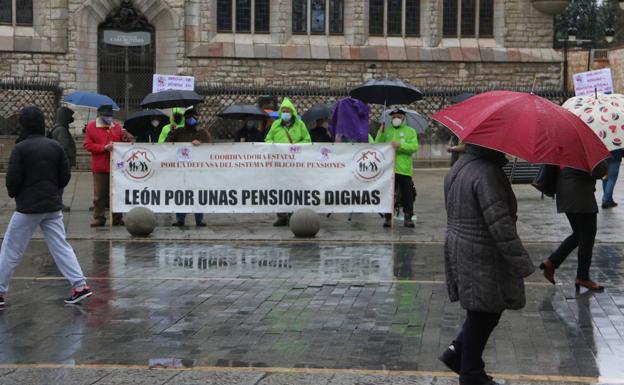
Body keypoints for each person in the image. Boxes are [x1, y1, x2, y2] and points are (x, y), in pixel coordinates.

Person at [440, 143, 534, 385]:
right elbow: (499, 223)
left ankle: (457, 353)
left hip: (462, 245)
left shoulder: (460, 166)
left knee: (482, 309)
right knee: (485, 311)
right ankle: (470, 372)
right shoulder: (486, 173)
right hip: (481, 250)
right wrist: (520, 261)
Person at [0, 106, 93, 306]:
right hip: (52, 205)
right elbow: (65, 175)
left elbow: (13, 180)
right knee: (61, 246)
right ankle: (80, 285)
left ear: (23, 125)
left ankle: (0, 290)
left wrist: (16, 194)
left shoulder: (20, 148)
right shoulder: (54, 146)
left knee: (11, 249)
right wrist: (53, 190)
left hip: (28, 207)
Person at [539, 162, 609, 291]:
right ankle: (582, 277)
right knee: (587, 236)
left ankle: (551, 263)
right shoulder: (585, 147)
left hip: (566, 193)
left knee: (579, 234)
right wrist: (605, 165)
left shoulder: (564, 147)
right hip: (581, 196)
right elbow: (599, 171)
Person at [265, 98, 311, 226]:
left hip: (295, 163)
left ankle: (292, 214)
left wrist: (296, 145)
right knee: (279, 188)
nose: (286, 113)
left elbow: (307, 141)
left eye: (288, 111)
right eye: (283, 111)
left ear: (292, 112)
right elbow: (268, 139)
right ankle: (281, 216)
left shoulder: (300, 125)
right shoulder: (275, 125)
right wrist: (272, 144)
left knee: (293, 188)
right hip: (279, 163)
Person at [84, 104, 131, 227]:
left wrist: (126, 137)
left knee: (116, 193)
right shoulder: (91, 127)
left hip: (116, 167)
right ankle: (99, 217)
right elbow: (88, 145)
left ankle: (116, 217)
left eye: (110, 116)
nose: (108, 118)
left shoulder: (117, 127)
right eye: (105, 116)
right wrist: (103, 148)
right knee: (99, 194)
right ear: (99, 115)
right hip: (100, 166)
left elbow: (126, 145)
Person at [375, 108, 419, 228]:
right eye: (394, 117)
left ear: (404, 118)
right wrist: (380, 132)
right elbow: (377, 145)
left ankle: (408, 217)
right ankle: (388, 217)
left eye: (399, 117)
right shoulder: (386, 131)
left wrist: (400, 145)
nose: (396, 119)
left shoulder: (411, 131)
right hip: (389, 168)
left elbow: (414, 147)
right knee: (389, 194)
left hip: (404, 169)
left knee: (407, 195)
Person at [167, 108, 211, 227]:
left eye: (193, 117)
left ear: (197, 119)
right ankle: (180, 219)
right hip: (181, 169)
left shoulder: (202, 132)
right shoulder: (178, 132)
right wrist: (171, 133)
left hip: (197, 170)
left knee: (197, 193)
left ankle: (199, 219)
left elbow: (210, 148)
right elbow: (166, 146)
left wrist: (201, 143)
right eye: (187, 118)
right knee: (181, 193)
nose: (190, 120)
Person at [48, 106, 76, 211]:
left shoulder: (58, 128)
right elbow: (64, 147)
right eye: (69, 117)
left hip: (59, 162)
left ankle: (57, 202)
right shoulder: (61, 130)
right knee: (60, 185)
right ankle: (58, 203)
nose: (71, 119)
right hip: (62, 163)